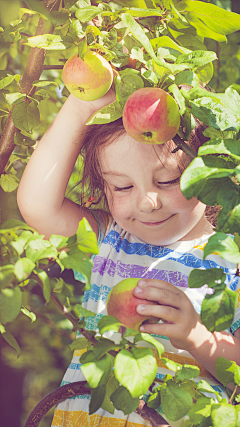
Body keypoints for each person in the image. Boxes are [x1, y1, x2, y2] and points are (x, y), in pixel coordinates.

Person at [17, 89, 240, 427]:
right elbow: (37, 206)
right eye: (122, 187)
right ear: (103, 191)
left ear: (208, 172)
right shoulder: (110, 238)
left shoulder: (229, 263)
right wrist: (81, 105)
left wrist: (198, 338)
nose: (147, 202)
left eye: (168, 180)